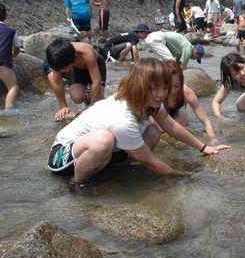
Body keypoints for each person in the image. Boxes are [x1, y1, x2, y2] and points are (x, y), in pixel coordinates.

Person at [47, 58, 229, 184]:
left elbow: (171, 126)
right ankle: (77, 185)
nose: (161, 94)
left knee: (153, 131)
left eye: (164, 88)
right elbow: (150, 162)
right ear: (138, 87)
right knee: (104, 140)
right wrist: (187, 175)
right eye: (154, 89)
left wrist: (205, 148)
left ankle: (114, 174)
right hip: (62, 157)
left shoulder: (151, 103)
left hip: (101, 153)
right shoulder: (122, 118)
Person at [44, 39, 106, 121]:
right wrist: (63, 107)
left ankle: (93, 96)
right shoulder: (56, 58)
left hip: (96, 64)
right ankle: (88, 96)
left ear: (71, 62)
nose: (62, 73)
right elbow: (58, 83)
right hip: (77, 69)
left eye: (63, 71)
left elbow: (96, 81)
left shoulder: (86, 52)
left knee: (98, 103)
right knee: (77, 97)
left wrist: (91, 108)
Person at [163, 61, 217, 143]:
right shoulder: (156, 93)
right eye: (168, 87)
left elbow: (206, 122)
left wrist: (213, 140)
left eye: (176, 86)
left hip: (176, 114)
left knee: (183, 121)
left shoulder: (186, 92)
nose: (173, 91)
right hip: (159, 115)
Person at [0, 3, 23, 112]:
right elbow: (18, 47)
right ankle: (8, 110)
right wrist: (14, 55)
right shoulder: (11, 31)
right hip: (2, 63)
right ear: (6, 16)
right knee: (13, 86)